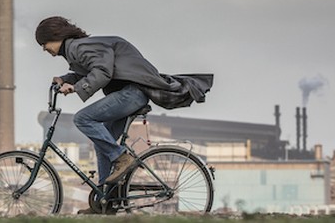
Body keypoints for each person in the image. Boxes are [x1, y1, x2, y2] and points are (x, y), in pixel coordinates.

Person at [35, 16, 213, 192]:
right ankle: (105, 199)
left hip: (132, 93)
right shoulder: (78, 48)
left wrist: (75, 88)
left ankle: (121, 157)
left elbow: (102, 71)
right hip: (131, 93)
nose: (44, 49)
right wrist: (64, 79)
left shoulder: (77, 47)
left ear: (56, 35)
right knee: (103, 141)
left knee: (82, 118)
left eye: (44, 43)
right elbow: (92, 70)